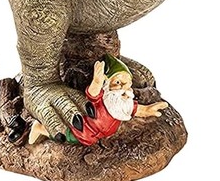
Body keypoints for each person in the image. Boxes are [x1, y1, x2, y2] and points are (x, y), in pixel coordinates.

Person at [29, 55, 168, 146]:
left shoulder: (123, 102)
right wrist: (97, 80)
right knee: (69, 137)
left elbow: (135, 109)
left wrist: (148, 110)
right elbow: (93, 93)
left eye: (127, 83)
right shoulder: (103, 98)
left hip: (98, 135)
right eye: (118, 82)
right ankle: (40, 128)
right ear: (107, 83)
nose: (123, 87)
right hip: (85, 130)